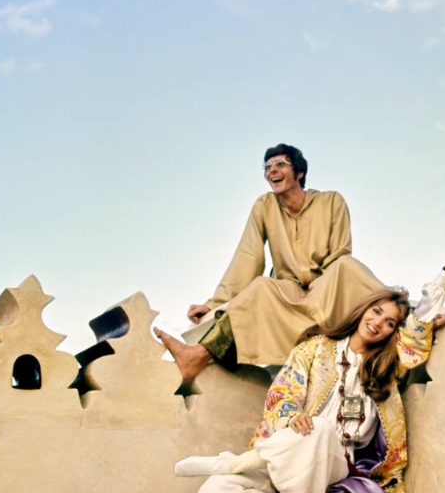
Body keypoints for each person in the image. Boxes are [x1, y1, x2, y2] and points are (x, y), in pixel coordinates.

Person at [173, 256, 445, 493]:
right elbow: (283, 390)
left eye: (389, 323)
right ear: (362, 310)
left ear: (393, 332)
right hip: (289, 459)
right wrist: (291, 416)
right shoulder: (314, 349)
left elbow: (418, 327)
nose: (378, 324)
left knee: (319, 429)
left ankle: (238, 462)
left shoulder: (387, 365)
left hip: (335, 468)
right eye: (376, 312)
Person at [154, 144, 383, 377]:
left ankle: (401, 316)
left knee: (348, 266)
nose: (272, 170)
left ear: (299, 173)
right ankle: (196, 356)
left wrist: (321, 290)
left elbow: (340, 253)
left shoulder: (332, 201)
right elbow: (248, 256)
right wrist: (215, 303)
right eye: (267, 166)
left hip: (329, 286)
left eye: (280, 164)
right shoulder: (264, 206)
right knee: (261, 287)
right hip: (288, 291)